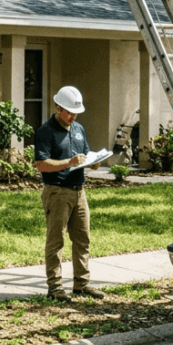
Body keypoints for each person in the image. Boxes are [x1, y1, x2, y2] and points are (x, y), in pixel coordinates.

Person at [34, 86, 105, 302]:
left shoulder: (78, 128)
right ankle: (55, 288)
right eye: (70, 112)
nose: (73, 117)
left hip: (79, 191)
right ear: (58, 108)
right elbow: (41, 164)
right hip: (57, 191)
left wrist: (93, 162)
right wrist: (68, 162)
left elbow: (85, 154)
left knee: (83, 239)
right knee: (56, 241)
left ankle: (81, 284)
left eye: (76, 113)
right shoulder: (46, 131)